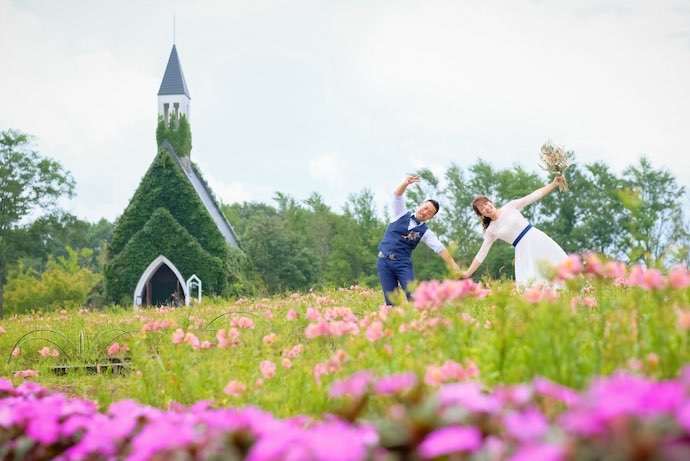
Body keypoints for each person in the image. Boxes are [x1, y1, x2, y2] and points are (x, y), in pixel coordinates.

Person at [462, 176, 569, 286]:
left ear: (491, 202)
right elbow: (481, 253)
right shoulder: (491, 230)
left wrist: (553, 184)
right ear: (481, 214)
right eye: (482, 208)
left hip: (536, 238)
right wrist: (467, 273)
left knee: (558, 263)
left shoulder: (511, 206)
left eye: (486, 203)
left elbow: (533, 196)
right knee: (531, 280)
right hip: (522, 250)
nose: (486, 207)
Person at [377, 175, 461, 305]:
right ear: (421, 205)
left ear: (431, 217)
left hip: (402, 264)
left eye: (430, 212)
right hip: (384, 262)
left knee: (413, 295)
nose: (425, 212)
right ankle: (396, 323)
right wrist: (405, 183)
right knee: (391, 300)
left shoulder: (426, 232)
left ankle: (420, 320)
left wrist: (452, 263)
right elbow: (397, 195)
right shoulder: (399, 213)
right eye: (425, 207)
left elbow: (439, 247)